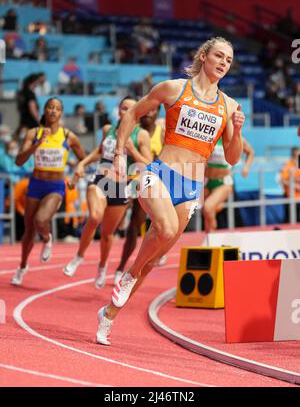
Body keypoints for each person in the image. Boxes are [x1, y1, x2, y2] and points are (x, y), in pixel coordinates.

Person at [96, 36, 245, 345]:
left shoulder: (228, 105)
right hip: (160, 173)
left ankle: (108, 315)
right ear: (204, 56)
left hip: (192, 184)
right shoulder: (174, 88)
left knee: (152, 261)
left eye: (228, 60)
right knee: (164, 228)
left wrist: (238, 130)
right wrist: (119, 153)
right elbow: (132, 113)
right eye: (219, 56)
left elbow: (232, 157)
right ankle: (128, 274)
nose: (223, 63)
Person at [62, 96, 152, 289]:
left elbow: (148, 164)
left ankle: (102, 267)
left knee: (107, 233)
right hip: (100, 180)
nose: (126, 112)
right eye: (123, 108)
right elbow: (99, 151)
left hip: (120, 186)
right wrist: (82, 163)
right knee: (94, 217)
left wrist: (132, 150)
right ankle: (78, 257)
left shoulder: (141, 134)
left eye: (130, 108)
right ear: (118, 110)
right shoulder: (108, 130)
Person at [11, 97, 85, 286]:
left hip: (56, 186)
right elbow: (18, 161)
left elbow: (84, 160)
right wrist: (37, 144)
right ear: (44, 111)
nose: (53, 111)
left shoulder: (69, 136)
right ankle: (22, 266)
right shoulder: (33, 133)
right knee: (28, 231)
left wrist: (76, 177)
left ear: (61, 113)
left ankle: (47, 237)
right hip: (36, 184)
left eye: (57, 108)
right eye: (50, 107)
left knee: (41, 220)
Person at [114, 106, 164, 283]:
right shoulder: (130, 129)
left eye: (152, 111)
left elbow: (161, 162)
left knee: (140, 226)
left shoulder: (161, 132)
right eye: (146, 111)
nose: (149, 113)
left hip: (151, 181)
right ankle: (121, 266)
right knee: (129, 225)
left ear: (157, 112)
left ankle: (153, 255)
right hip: (129, 180)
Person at [202, 137, 254, 233]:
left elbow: (250, 152)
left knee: (208, 207)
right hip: (206, 180)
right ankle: (209, 240)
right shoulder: (212, 133)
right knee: (208, 213)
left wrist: (246, 168)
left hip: (223, 182)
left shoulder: (233, 136)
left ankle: (213, 237)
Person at [279, 146, 300, 222]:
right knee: (289, 219)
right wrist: (295, 185)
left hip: (298, 197)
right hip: (290, 196)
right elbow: (282, 180)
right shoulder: (287, 165)